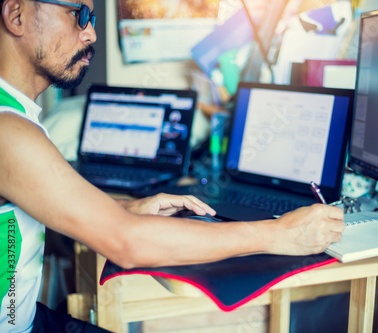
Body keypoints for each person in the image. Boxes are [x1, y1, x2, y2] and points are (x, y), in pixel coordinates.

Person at [0, 0, 345, 331]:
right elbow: (126, 243)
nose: (90, 34)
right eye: (79, 14)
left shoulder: (18, 119)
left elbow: (52, 201)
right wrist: (281, 233)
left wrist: (129, 209)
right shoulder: (9, 131)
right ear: (16, 15)